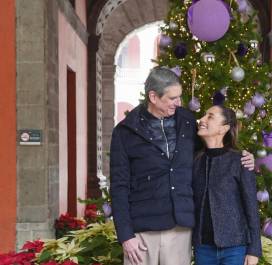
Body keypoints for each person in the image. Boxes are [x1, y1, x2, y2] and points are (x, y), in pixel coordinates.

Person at [110, 66, 255, 265]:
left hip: (180, 230)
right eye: (172, 98)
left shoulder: (187, 121)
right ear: (153, 96)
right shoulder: (124, 132)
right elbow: (119, 186)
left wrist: (244, 156)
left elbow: (213, 149)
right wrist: (126, 236)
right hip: (141, 232)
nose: (179, 103)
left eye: (179, 97)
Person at [192, 105, 262, 265]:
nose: (202, 119)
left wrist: (254, 250)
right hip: (203, 248)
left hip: (235, 248)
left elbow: (251, 207)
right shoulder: (195, 161)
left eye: (210, 116)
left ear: (224, 128)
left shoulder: (241, 161)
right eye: (203, 115)